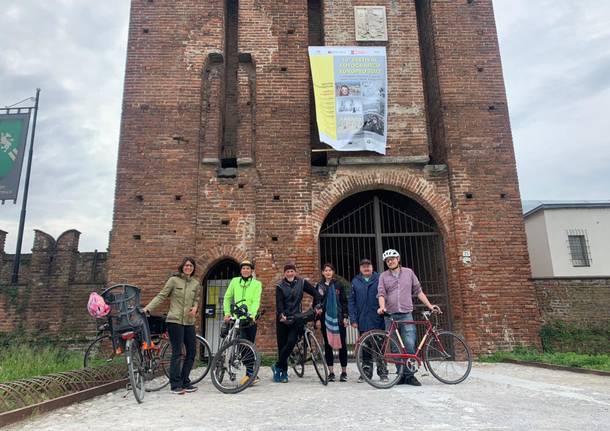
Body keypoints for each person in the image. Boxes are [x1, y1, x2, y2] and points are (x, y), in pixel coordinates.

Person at [377, 249, 441, 386]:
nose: (390, 261)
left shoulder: (409, 273)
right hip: (390, 315)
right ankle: (400, 376)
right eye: (388, 260)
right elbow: (381, 293)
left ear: (398, 259)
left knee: (409, 344)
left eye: (392, 259)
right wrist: (382, 307)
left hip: (406, 313)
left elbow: (418, 291)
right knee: (395, 347)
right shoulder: (383, 276)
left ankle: (410, 375)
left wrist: (430, 305)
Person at [144, 257, 201, 395]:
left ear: (193, 268)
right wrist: (148, 308)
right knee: (177, 353)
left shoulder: (195, 283)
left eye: (191, 266)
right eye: (186, 265)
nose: (188, 267)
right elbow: (161, 296)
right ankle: (175, 385)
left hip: (188, 321)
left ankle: (185, 381)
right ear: (182, 267)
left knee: (192, 352)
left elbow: (196, 299)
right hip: (174, 321)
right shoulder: (173, 281)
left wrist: (195, 307)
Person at [272, 262, 321, 383]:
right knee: (282, 346)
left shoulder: (302, 282)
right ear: (284, 273)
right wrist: (281, 314)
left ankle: (277, 366)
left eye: (291, 271)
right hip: (283, 320)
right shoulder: (279, 286)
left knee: (291, 342)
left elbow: (315, 292)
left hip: (296, 318)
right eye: (287, 271)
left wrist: (317, 305)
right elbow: (279, 302)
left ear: (295, 272)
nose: (290, 273)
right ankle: (283, 372)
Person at [223, 259, 263, 385]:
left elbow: (256, 300)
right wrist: (227, 313)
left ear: (251, 271)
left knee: (249, 346)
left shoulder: (257, 284)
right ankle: (250, 372)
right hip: (236, 318)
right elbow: (227, 297)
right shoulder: (235, 281)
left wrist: (251, 314)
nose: (245, 270)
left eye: (248, 268)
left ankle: (251, 374)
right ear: (240, 270)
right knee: (240, 345)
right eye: (243, 268)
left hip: (249, 319)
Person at [349, 258, 388, 383]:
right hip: (363, 320)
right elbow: (351, 302)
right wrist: (353, 319)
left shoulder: (380, 278)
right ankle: (366, 373)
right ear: (360, 269)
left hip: (378, 319)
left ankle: (383, 372)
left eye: (368, 266)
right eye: (363, 266)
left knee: (380, 346)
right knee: (365, 347)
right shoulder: (355, 281)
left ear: (372, 267)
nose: (366, 268)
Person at [315, 263, 348, 382]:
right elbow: (317, 303)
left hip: (339, 319)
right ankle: (331, 372)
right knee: (328, 346)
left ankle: (344, 372)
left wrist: (345, 316)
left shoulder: (339, 285)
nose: (328, 272)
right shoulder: (319, 286)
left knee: (342, 345)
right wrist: (317, 319)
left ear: (333, 272)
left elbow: (344, 301)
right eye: (325, 270)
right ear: (322, 273)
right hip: (326, 320)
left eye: (330, 270)